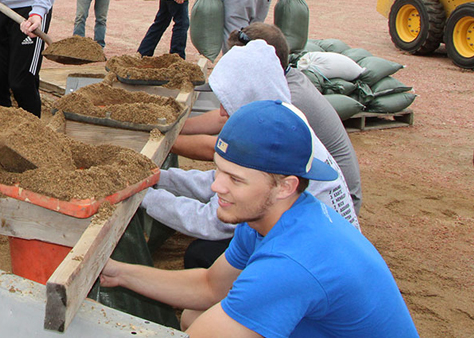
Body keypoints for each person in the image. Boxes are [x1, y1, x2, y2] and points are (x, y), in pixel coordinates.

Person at [102, 100, 419, 337]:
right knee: (193, 314)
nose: (216, 186)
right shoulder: (273, 217)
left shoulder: (290, 262)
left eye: (235, 180)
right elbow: (210, 285)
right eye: (219, 171)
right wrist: (118, 273)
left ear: (285, 186)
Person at [141, 39, 358, 270]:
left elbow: (211, 221)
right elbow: (219, 182)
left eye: (227, 102)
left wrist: (143, 196)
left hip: (316, 258)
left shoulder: (269, 139)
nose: (222, 112)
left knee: (203, 255)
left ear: (250, 93)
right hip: (318, 237)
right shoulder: (282, 115)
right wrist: (159, 178)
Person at [173, 23, 363, 213]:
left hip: (324, 202)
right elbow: (224, 118)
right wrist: (175, 127)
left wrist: (167, 142)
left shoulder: (286, 104)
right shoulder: (281, 83)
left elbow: (225, 149)